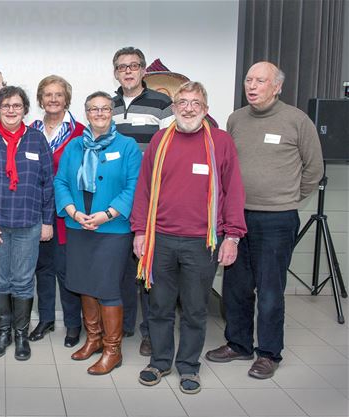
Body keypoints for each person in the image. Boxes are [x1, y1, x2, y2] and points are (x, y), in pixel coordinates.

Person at [206, 62, 324, 379]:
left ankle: (269, 353)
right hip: (237, 218)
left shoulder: (297, 120)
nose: (252, 85)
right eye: (249, 79)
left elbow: (314, 169)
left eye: (260, 80)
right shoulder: (236, 119)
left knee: (270, 290)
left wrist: (288, 199)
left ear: (277, 87)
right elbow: (227, 165)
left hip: (277, 220)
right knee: (236, 287)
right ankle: (239, 344)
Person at [131, 81, 246, 393]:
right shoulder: (159, 141)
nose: (188, 108)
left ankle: (189, 367)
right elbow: (143, 189)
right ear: (174, 107)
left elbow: (234, 191)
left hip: (202, 242)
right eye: (182, 101)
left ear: (205, 109)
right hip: (161, 241)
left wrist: (233, 237)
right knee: (160, 307)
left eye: (195, 102)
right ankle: (159, 362)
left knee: (195, 310)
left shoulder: (220, 142)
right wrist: (140, 231)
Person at [54, 91, 142, 375]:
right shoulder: (74, 146)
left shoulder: (127, 146)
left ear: (112, 112)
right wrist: (73, 212)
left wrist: (107, 215)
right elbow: (60, 182)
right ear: (86, 113)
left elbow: (134, 186)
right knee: (82, 283)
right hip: (79, 226)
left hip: (113, 229)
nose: (100, 113)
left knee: (106, 287)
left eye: (105, 108)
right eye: (94, 109)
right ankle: (93, 339)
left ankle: (112, 350)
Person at [0, 86, 54, 361]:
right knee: (1, 279)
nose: (12, 110)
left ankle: (21, 336)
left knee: (24, 281)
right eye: (6, 106)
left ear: (25, 109)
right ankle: (3, 332)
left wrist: (47, 221)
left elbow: (47, 184)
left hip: (29, 223)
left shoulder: (37, 140)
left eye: (17, 105)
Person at [111, 46, 174, 356]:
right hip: (117, 199)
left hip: (151, 198)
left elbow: (171, 149)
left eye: (134, 66)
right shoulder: (107, 106)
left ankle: (150, 331)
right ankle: (124, 325)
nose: (128, 71)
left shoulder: (162, 104)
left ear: (143, 70)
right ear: (116, 71)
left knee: (150, 268)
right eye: (122, 66)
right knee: (122, 266)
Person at [28, 75, 85, 347]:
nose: (53, 99)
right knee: (43, 268)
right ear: (40, 99)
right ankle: (46, 319)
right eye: (47, 94)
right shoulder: (31, 130)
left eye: (58, 94)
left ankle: (73, 325)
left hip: (67, 213)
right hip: (37, 211)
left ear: (66, 99)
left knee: (66, 269)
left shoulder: (80, 132)